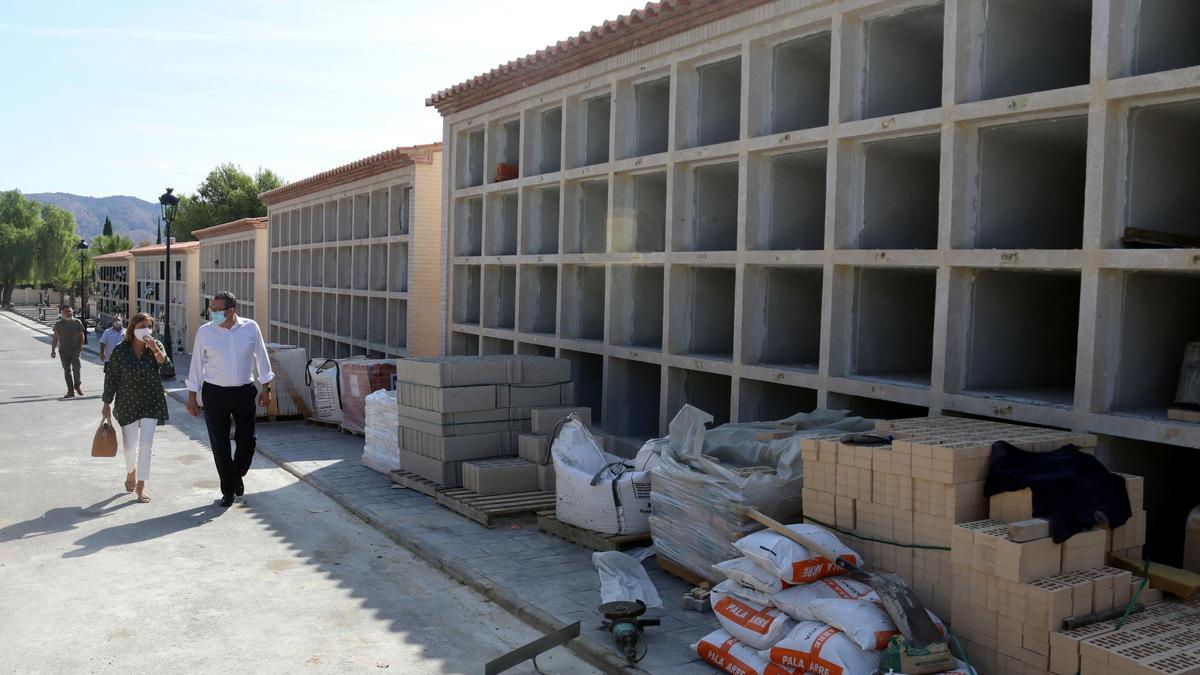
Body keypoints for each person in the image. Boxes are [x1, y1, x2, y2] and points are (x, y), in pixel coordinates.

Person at [185, 291, 274, 507]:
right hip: (215, 393)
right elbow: (196, 364)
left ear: (231, 310)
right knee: (220, 443)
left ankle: (237, 474)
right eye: (211, 309)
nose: (212, 313)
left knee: (248, 440)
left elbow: (261, 357)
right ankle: (227, 490)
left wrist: (266, 388)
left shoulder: (250, 328)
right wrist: (192, 397)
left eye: (217, 310)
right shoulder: (205, 332)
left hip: (244, 391)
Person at [101, 312, 171, 503]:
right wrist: (107, 402)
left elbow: (167, 369)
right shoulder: (120, 350)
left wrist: (156, 350)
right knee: (130, 446)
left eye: (148, 326)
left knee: (146, 445)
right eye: (141, 327)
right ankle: (131, 471)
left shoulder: (156, 346)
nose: (145, 330)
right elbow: (112, 377)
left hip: (151, 401)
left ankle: (142, 484)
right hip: (127, 402)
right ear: (132, 328)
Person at [50, 305, 87, 398]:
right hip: (64, 350)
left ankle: (77, 385)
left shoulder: (77, 322)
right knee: (67, 371)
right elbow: (55, 337)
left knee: (77, 369)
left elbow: (81, 334)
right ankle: (70, 391)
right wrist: (53, 350)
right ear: (62, 313)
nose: (68, 313)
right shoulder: (59, 323)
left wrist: (81, 346)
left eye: (70, 311)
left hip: (75, 349)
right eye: (66, 311)